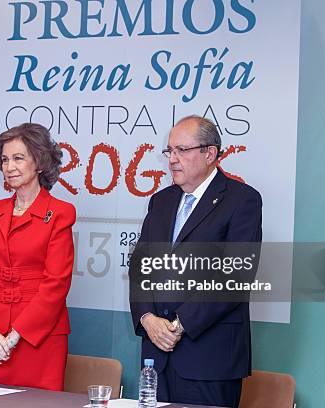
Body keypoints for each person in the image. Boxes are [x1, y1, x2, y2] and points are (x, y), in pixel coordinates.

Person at [129, 115, 262, 407]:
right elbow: (140, 266)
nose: (172, 159)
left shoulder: (242, 201)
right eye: (169, 151)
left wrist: (179, 325)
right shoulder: (161, 201)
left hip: (209, 359)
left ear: (210, 153)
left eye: (181, 150)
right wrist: (147, 319)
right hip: (157, 359)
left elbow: (235, 277)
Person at [0, 123, 75, 391]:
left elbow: (56, 285)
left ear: (39, 162)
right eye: (4, 159)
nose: (9, 166)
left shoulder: (60, 213)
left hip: (39, 338)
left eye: (18, 158)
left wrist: (14, 338)